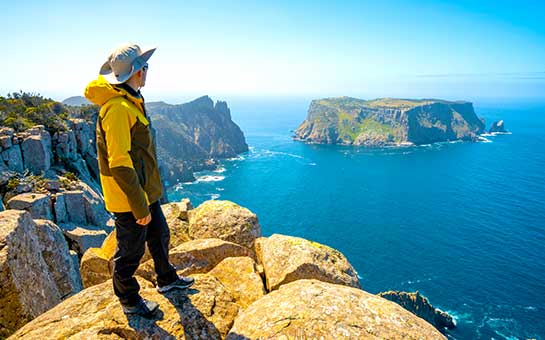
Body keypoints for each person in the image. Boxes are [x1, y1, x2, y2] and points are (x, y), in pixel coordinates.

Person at [84, 43, 194, 318]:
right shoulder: (118, 109)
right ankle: (129, 299)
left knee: (159, 234)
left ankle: (166, 279)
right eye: (145, 66)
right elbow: (120, 163)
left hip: (146, 190)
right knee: (131, 250)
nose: (147, 70)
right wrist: (138, 205)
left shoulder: (133, 99)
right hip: (129, 198)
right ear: (136, 72)